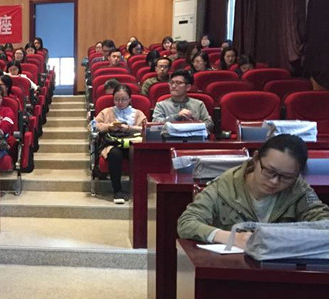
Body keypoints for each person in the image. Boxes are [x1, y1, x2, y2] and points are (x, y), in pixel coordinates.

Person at [177, 134, 329, 247]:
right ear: (256, 159)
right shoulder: (224, 187)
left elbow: (324, 224)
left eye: (286, 177)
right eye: (269, 171)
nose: (274, 181)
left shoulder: (298, 190)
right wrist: (234, 238)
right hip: (232, 268)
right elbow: (187, 223)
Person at [94, 85, 147, 204]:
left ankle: (140, 190)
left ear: (130, 99)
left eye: (124, 99)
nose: (120, 102)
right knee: (115, 154)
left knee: (138, 153)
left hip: (133, 142)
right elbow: (95, 125)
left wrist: (128, 128)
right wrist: (109, 126)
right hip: (113, 143)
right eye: (117, 99)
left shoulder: (138, 113)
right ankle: (117, 190)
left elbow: (145, 128)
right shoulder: (106, 112)